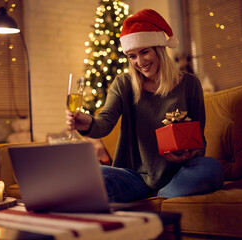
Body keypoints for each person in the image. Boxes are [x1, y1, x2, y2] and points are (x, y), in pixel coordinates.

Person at [66, 9, 224, 203]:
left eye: (144, 52)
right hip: (134, 177)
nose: (139, 62)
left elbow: (199, 142)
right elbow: (103, 123)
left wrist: (188, 154)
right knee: (93, 173)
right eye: (132, 56)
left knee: (211, 169)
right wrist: (86, 122)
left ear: (158, 48)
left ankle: (162, 195)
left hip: (179, 174)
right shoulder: (123, 84)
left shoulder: (190, 85)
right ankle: (161, 194)